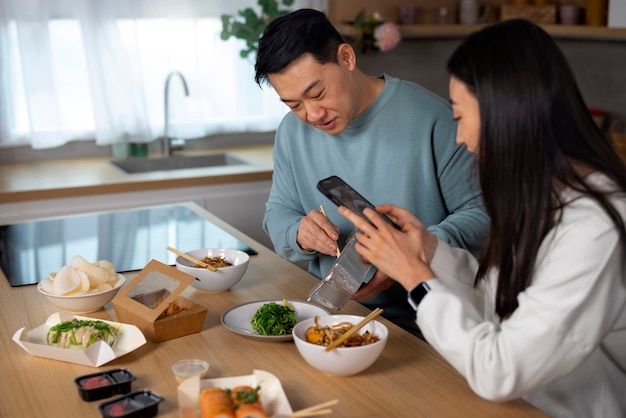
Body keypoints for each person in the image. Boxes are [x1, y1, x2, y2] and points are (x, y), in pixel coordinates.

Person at [339, 19, 626, 417]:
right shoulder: (540, 195)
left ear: (503, 113)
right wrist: (427, 251)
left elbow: (500, 369)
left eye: (459, 116)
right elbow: (494, 301)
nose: (459, 137)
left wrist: (415, 279)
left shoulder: (594, 227)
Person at [254, 9, 489, 336]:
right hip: (332, 314)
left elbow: (481, 214)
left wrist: (412, 251)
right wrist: (299, 233)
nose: (311, 114)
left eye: (317, 94)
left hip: (427, 320)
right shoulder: (292, 132)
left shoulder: (432, 119)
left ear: (346, 57)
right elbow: (278, 212)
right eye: (293, 105)